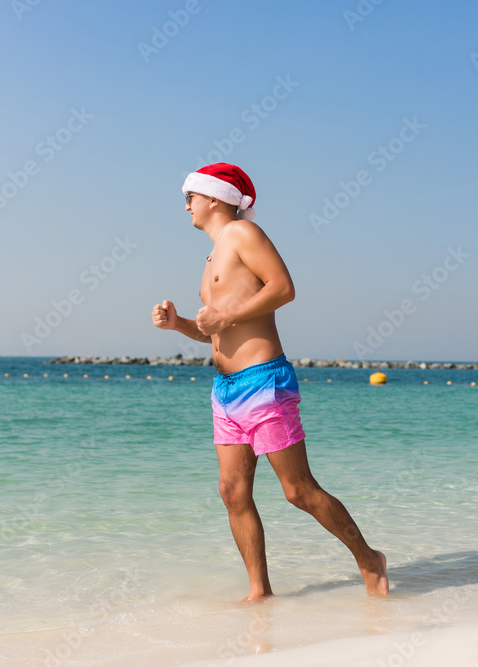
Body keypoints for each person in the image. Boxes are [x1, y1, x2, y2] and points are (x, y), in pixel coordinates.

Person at [152, 163, 388, 600]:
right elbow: (214, 329)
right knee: (232, 491)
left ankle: (369, 558)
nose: (185, 204)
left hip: (264, 383)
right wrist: (178, 324)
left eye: (191, 196)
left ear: (215, 199)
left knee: (298, 491)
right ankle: (259, 592)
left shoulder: (244, 235)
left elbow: (283, 288)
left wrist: (225, 315)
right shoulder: (211, 256)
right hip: (225, 390)